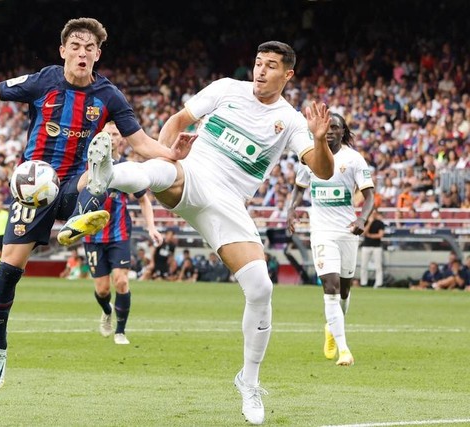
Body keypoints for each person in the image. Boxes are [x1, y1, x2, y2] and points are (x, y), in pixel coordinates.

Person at [0, 17, 193, 391]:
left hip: (77, 182)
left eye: (89, 47)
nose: (82, 52)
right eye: (75, 45)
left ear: (97, 55)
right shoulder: (43, 81)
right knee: (8, 270)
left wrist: (171, 153)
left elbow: (139, 143)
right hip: (35, 185)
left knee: (102, 160)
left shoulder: (108, 95)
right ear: (63, 52)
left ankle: (80, 218)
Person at [79, 41, 334, 424]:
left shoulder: (292, 121)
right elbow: (178, 121)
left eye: (270, 66)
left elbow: (323, 171)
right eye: (258, 63)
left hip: (229, 203)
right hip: (193, 174)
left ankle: (249, 382)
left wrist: (318, 139)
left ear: (288, 74)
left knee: (261, 289)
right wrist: (165, 151)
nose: (261, 71)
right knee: (161, 170)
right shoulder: (226, 88)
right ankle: (108, 174)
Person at [288, 112, 375, 367]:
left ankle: (331, 328)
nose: (329, 130)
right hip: (322, 232)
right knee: (331, 287)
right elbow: (298, 188)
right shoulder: (310, 157)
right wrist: (291, 210)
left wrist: (362, 220)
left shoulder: (354, 159)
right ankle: (344, 349)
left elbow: (370, 196)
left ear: (342, 131)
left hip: (347, 232)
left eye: (335, 126)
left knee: (345, 290)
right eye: (326, 126)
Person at [82, 122, 163, 345]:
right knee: (102, 289)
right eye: (106, 134)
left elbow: (144, 200)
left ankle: (120, 331)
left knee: (121, 282)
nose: (110, 138)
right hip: (92, 236)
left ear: (121, 140)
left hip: (119, 234)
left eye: (115, 134)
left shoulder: (127, 168)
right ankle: (107, 311)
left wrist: (151, 227)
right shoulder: (89, 165)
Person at [359, 208, 386, 288]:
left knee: (378, 266)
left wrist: (370, 236)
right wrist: (370, 222)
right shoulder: (366, 222)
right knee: (364, 265)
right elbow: (364, 233)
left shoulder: (380, 223)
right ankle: (363, 283)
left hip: (377, 246)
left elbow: (380, 235)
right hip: (366, 246)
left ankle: (378, 283)